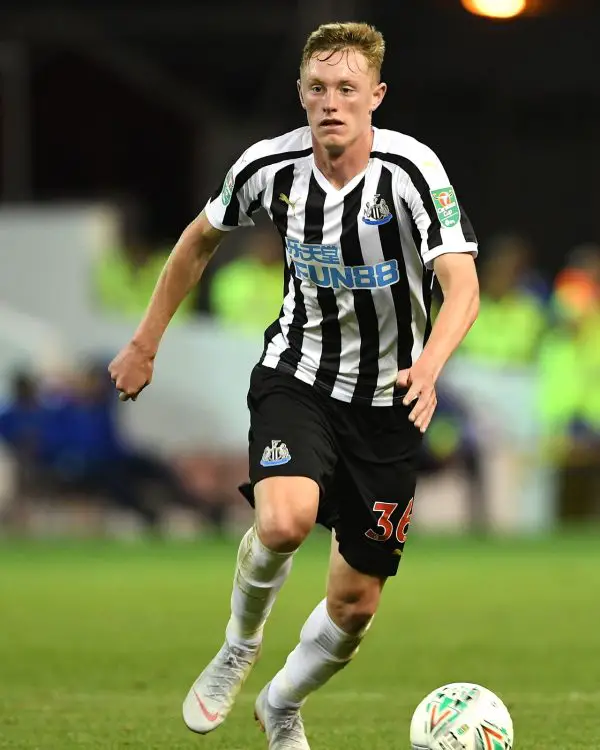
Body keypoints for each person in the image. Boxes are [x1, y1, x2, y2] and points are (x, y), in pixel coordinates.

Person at [108, 22, 479, 749]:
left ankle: (281, 704)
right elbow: (197, 241)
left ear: (376, 95)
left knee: (355, 604)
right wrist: (145, 342)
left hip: (390, 403)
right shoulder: (268, 167)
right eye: (318, 88)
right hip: (299, 377)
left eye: (347, 88)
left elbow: (461, 286)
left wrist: (430, 365)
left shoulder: (412, 172)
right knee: (283, 522)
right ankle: (238, 646)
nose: (331, 102)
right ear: (301, 94)